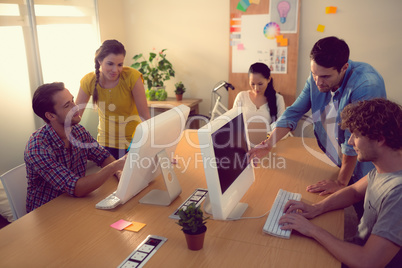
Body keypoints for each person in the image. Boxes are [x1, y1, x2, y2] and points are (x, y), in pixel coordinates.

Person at [248, 36, 386, 198]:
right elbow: (294, 112)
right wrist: (270, 143)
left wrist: (341, 183)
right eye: (314, 74)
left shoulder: (366, 85)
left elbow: (354, 139)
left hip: (367, 165)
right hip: (341, 160)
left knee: (367, 211)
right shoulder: (318, 75)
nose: (318, 82)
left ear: (344, 67)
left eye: (325, 77)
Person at [279, 98, 402, 267]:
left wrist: (312, 230)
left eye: (356, 135)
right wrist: (316, 208)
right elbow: (354, 192)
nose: (350, 142)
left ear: (380, 139)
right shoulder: (386, 167)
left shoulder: (398, 193)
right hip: (356, 248)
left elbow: (368, 262)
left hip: (361, 259)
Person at [24, 82, 126, 213]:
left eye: (72, 100)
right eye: (68, 105)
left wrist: (119, 173)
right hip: (47, 215)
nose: (76, 107)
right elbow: (76, 188)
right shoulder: (37, 149)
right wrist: (115, 166)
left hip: (74, 204)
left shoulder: (78, 131)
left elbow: (103, 157)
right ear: (50, 116)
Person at [76, 39, 150, 160]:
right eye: (110, 64)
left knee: (134, 177)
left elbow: (145, 117)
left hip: (133, 141)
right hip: (106, 143)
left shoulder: (132, 77)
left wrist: (159, 150)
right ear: (100, 61)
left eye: (120, 64)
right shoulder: (88, 80)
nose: (115, 70)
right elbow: (75, 116)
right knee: (112, 178)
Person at [233, 62, 286, 145]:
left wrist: (269, 138)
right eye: (252, 84)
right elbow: (234, 124)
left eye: (260, 84)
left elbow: (282, 128)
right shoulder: (242, 96)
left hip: (267, 145)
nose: (256, 88)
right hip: (244, 145)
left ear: (268, 79)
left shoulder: (278, 99)